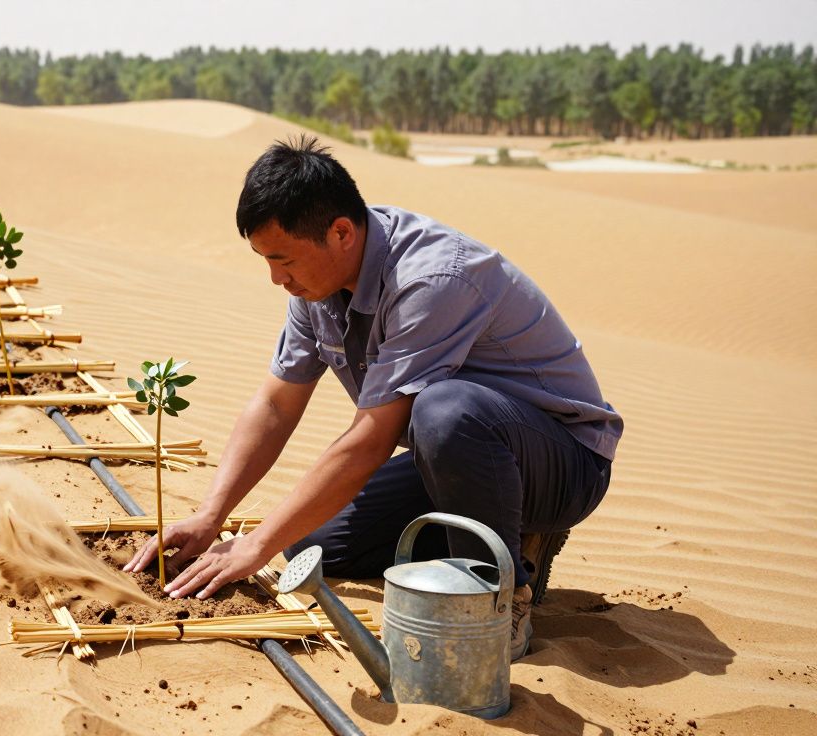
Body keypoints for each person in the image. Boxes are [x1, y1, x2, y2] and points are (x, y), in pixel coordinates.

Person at [124, 135, 621, 660]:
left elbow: (371, 439)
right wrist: (211, 517)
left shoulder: (431, 279)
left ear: (340, 232)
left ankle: (500, 597)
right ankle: (509, 536)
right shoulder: (316, 287)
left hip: (561, 463)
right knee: (313, 543)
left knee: (444, 408)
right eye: (264, 260)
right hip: (459, 460)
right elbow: (276, 404)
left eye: (283, 259)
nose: (275, 278)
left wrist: (253, 546)